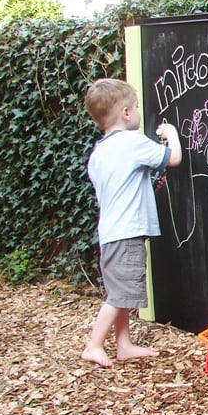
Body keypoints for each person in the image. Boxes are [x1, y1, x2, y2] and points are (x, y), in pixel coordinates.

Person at [80, 78, 182, 369]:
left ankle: (123, 345)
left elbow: (121, 185)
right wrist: (171, 134)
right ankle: (94, 345)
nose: (139, 112)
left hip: (111, 232)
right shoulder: (132, 142)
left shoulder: (99, 153)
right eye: (136, 107)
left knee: (121, 291)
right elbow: (173, 158)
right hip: (127, 233)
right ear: (126, 113)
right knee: (120, 294)